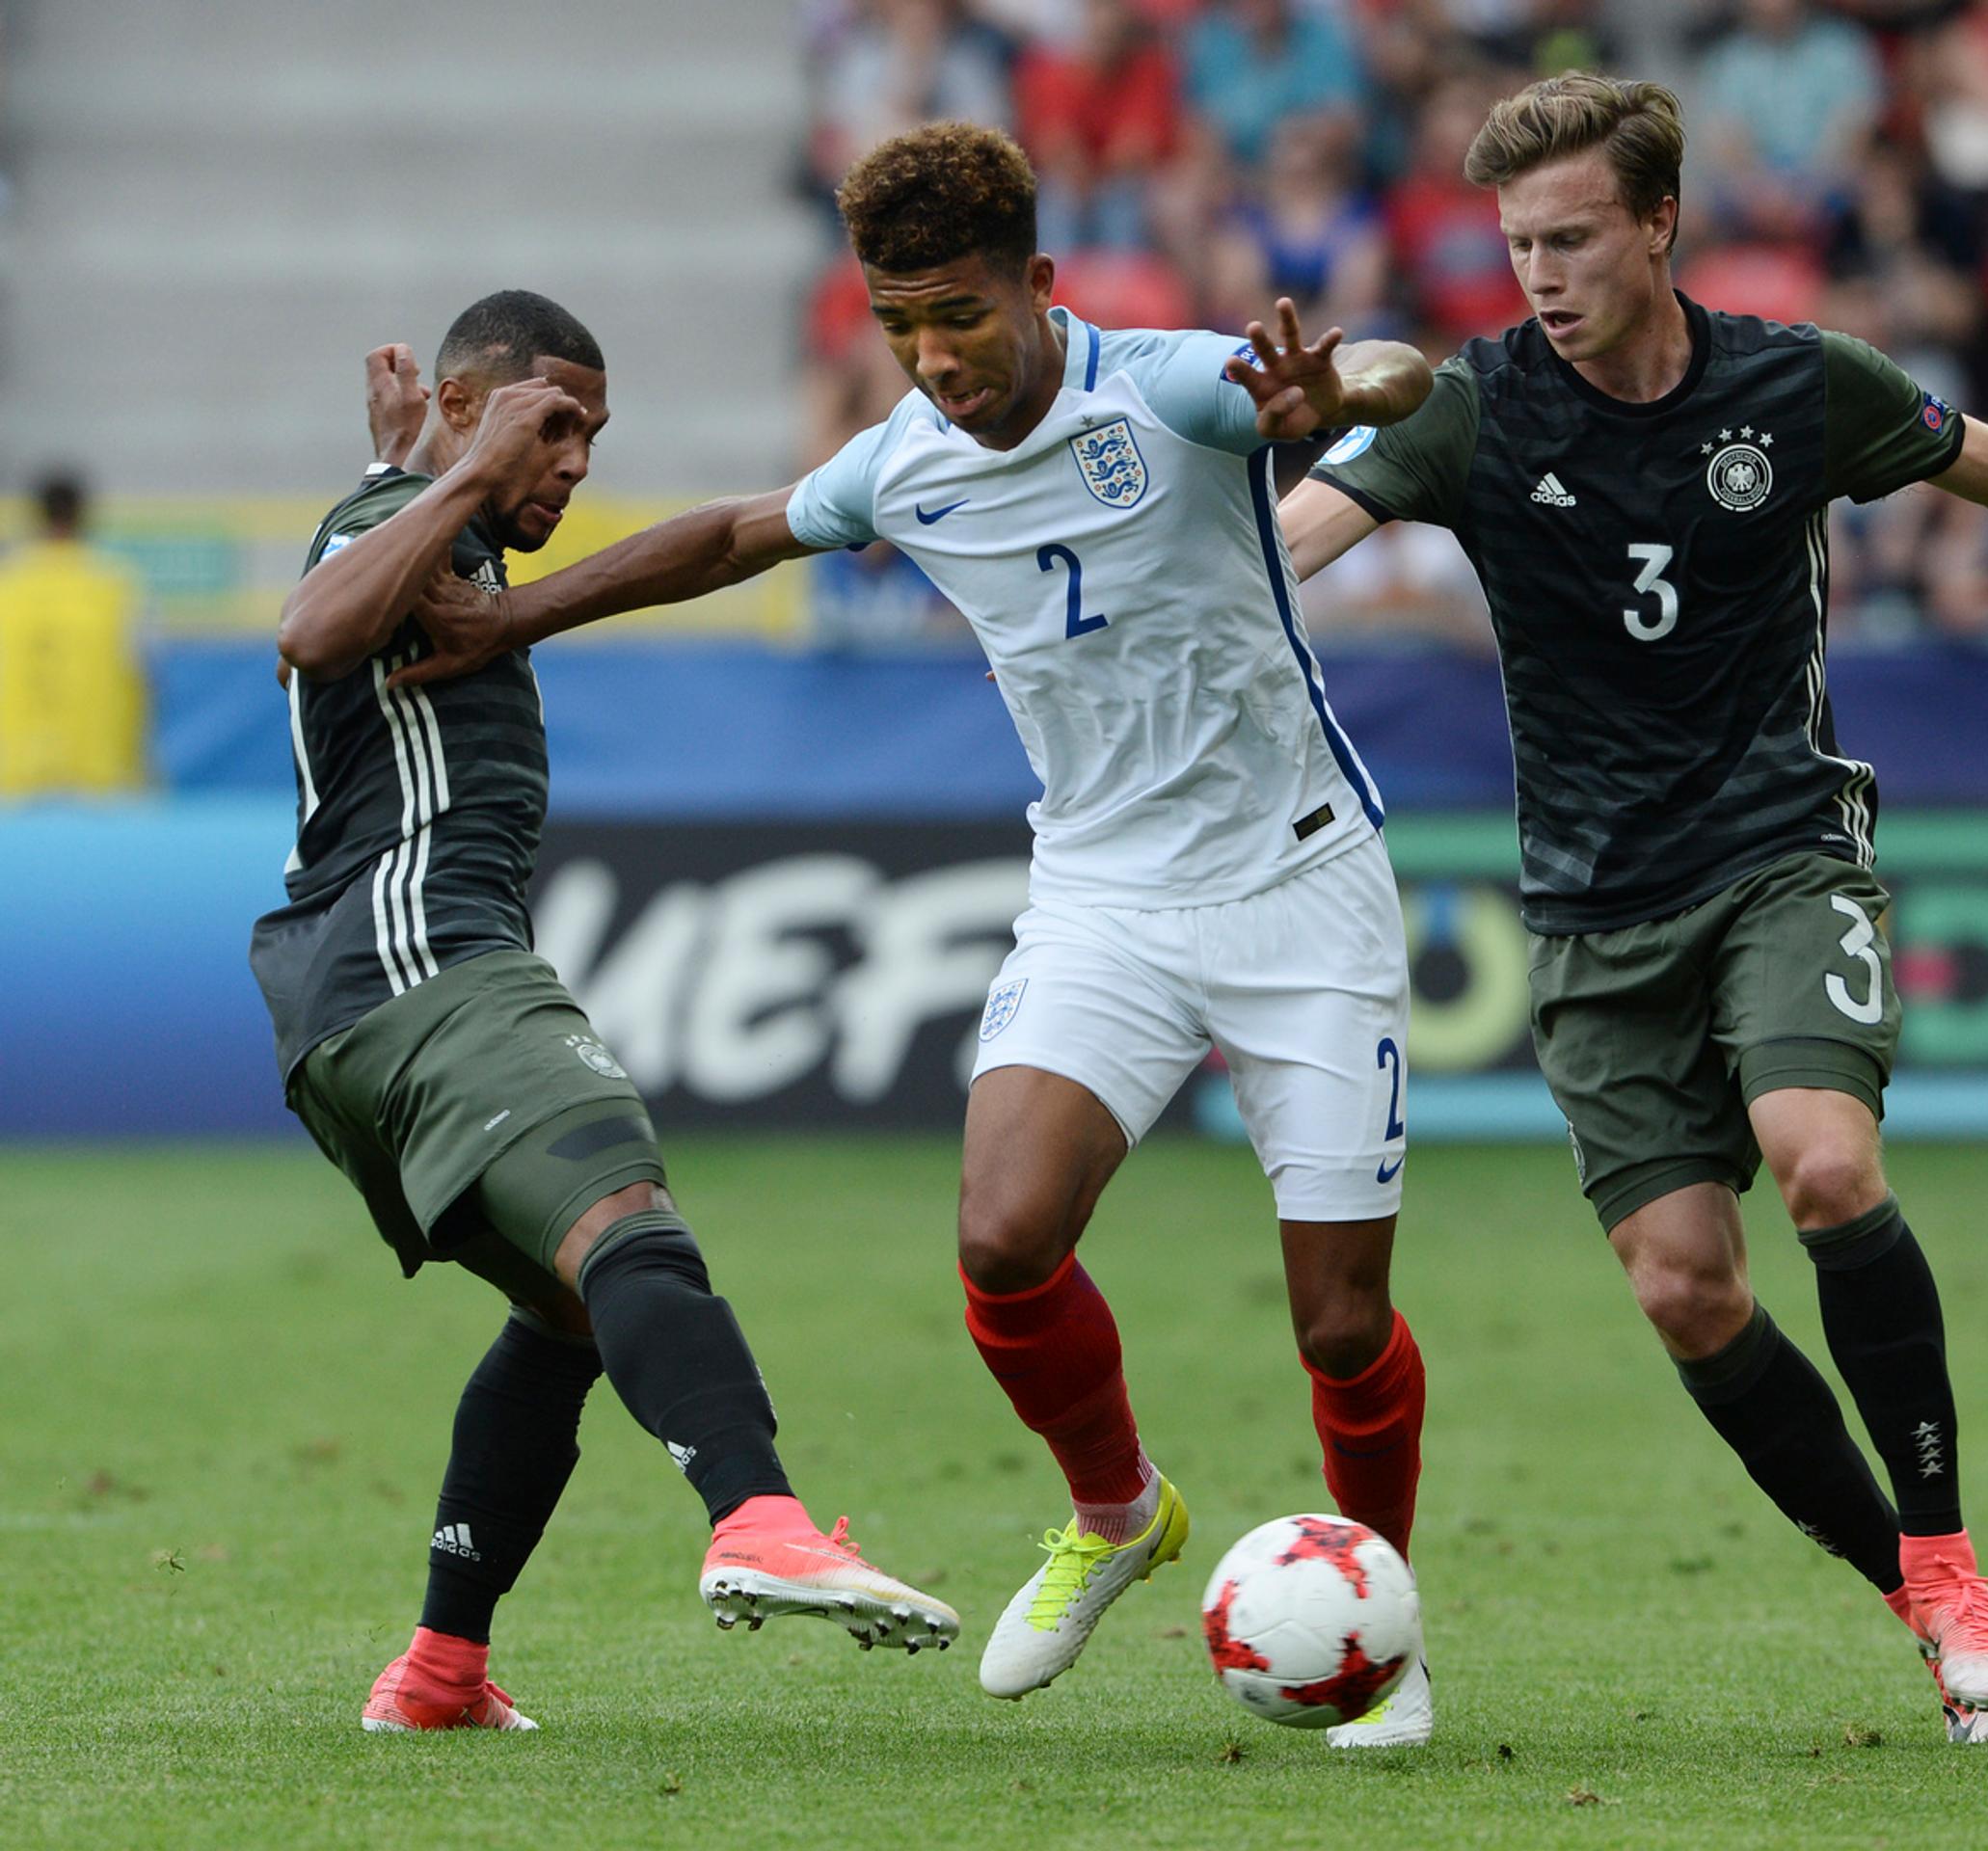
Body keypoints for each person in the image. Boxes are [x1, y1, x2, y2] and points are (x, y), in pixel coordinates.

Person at [1283, 73, 1988, 1745]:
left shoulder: (1794, 386)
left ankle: (1950, 1557)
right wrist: (1227, 497)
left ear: (1658, 222)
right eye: (1514, 246)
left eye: (1572, 238)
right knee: (1685, 1291)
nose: (1541, 276)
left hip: (1778, 853)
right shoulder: (1475, 407)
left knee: (1828, 1161)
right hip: (1586, 912)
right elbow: (1299, 541)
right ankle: (1910, 1594)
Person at [395, 129, 1445, 1745]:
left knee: (1339, 1325)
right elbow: (738, 535)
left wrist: (1351, 390)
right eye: (900, 327)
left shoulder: (1170, 389)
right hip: (1102, 893)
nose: (935, 359)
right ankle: (1115, 1516)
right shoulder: (907, 457)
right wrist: (511, 617)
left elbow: (1380, 372)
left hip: (1300, 882)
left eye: (959, 314)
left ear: (1037, 282)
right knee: (1004, 1238)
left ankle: (1378, 1622)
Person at [257, 291, 959, 1735]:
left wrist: (446, 475)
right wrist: (442, 472)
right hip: (421, 971)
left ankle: (441, 1670)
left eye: (592, 432)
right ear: (463, 405)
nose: (575, 460)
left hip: (364, 1004)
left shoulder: (435, 530)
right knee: (624, 1214)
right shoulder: (397, 519)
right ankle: (757, 1512)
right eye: (551, 423)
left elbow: (701, 542)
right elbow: (312, 629)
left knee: (571, 1311)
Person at [0, 469, 152, 798]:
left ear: (34, 516)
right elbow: (145, 674)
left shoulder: (8, 584)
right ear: (85, 515)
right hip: (99, 785)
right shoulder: (116, 585)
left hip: (13, 789)